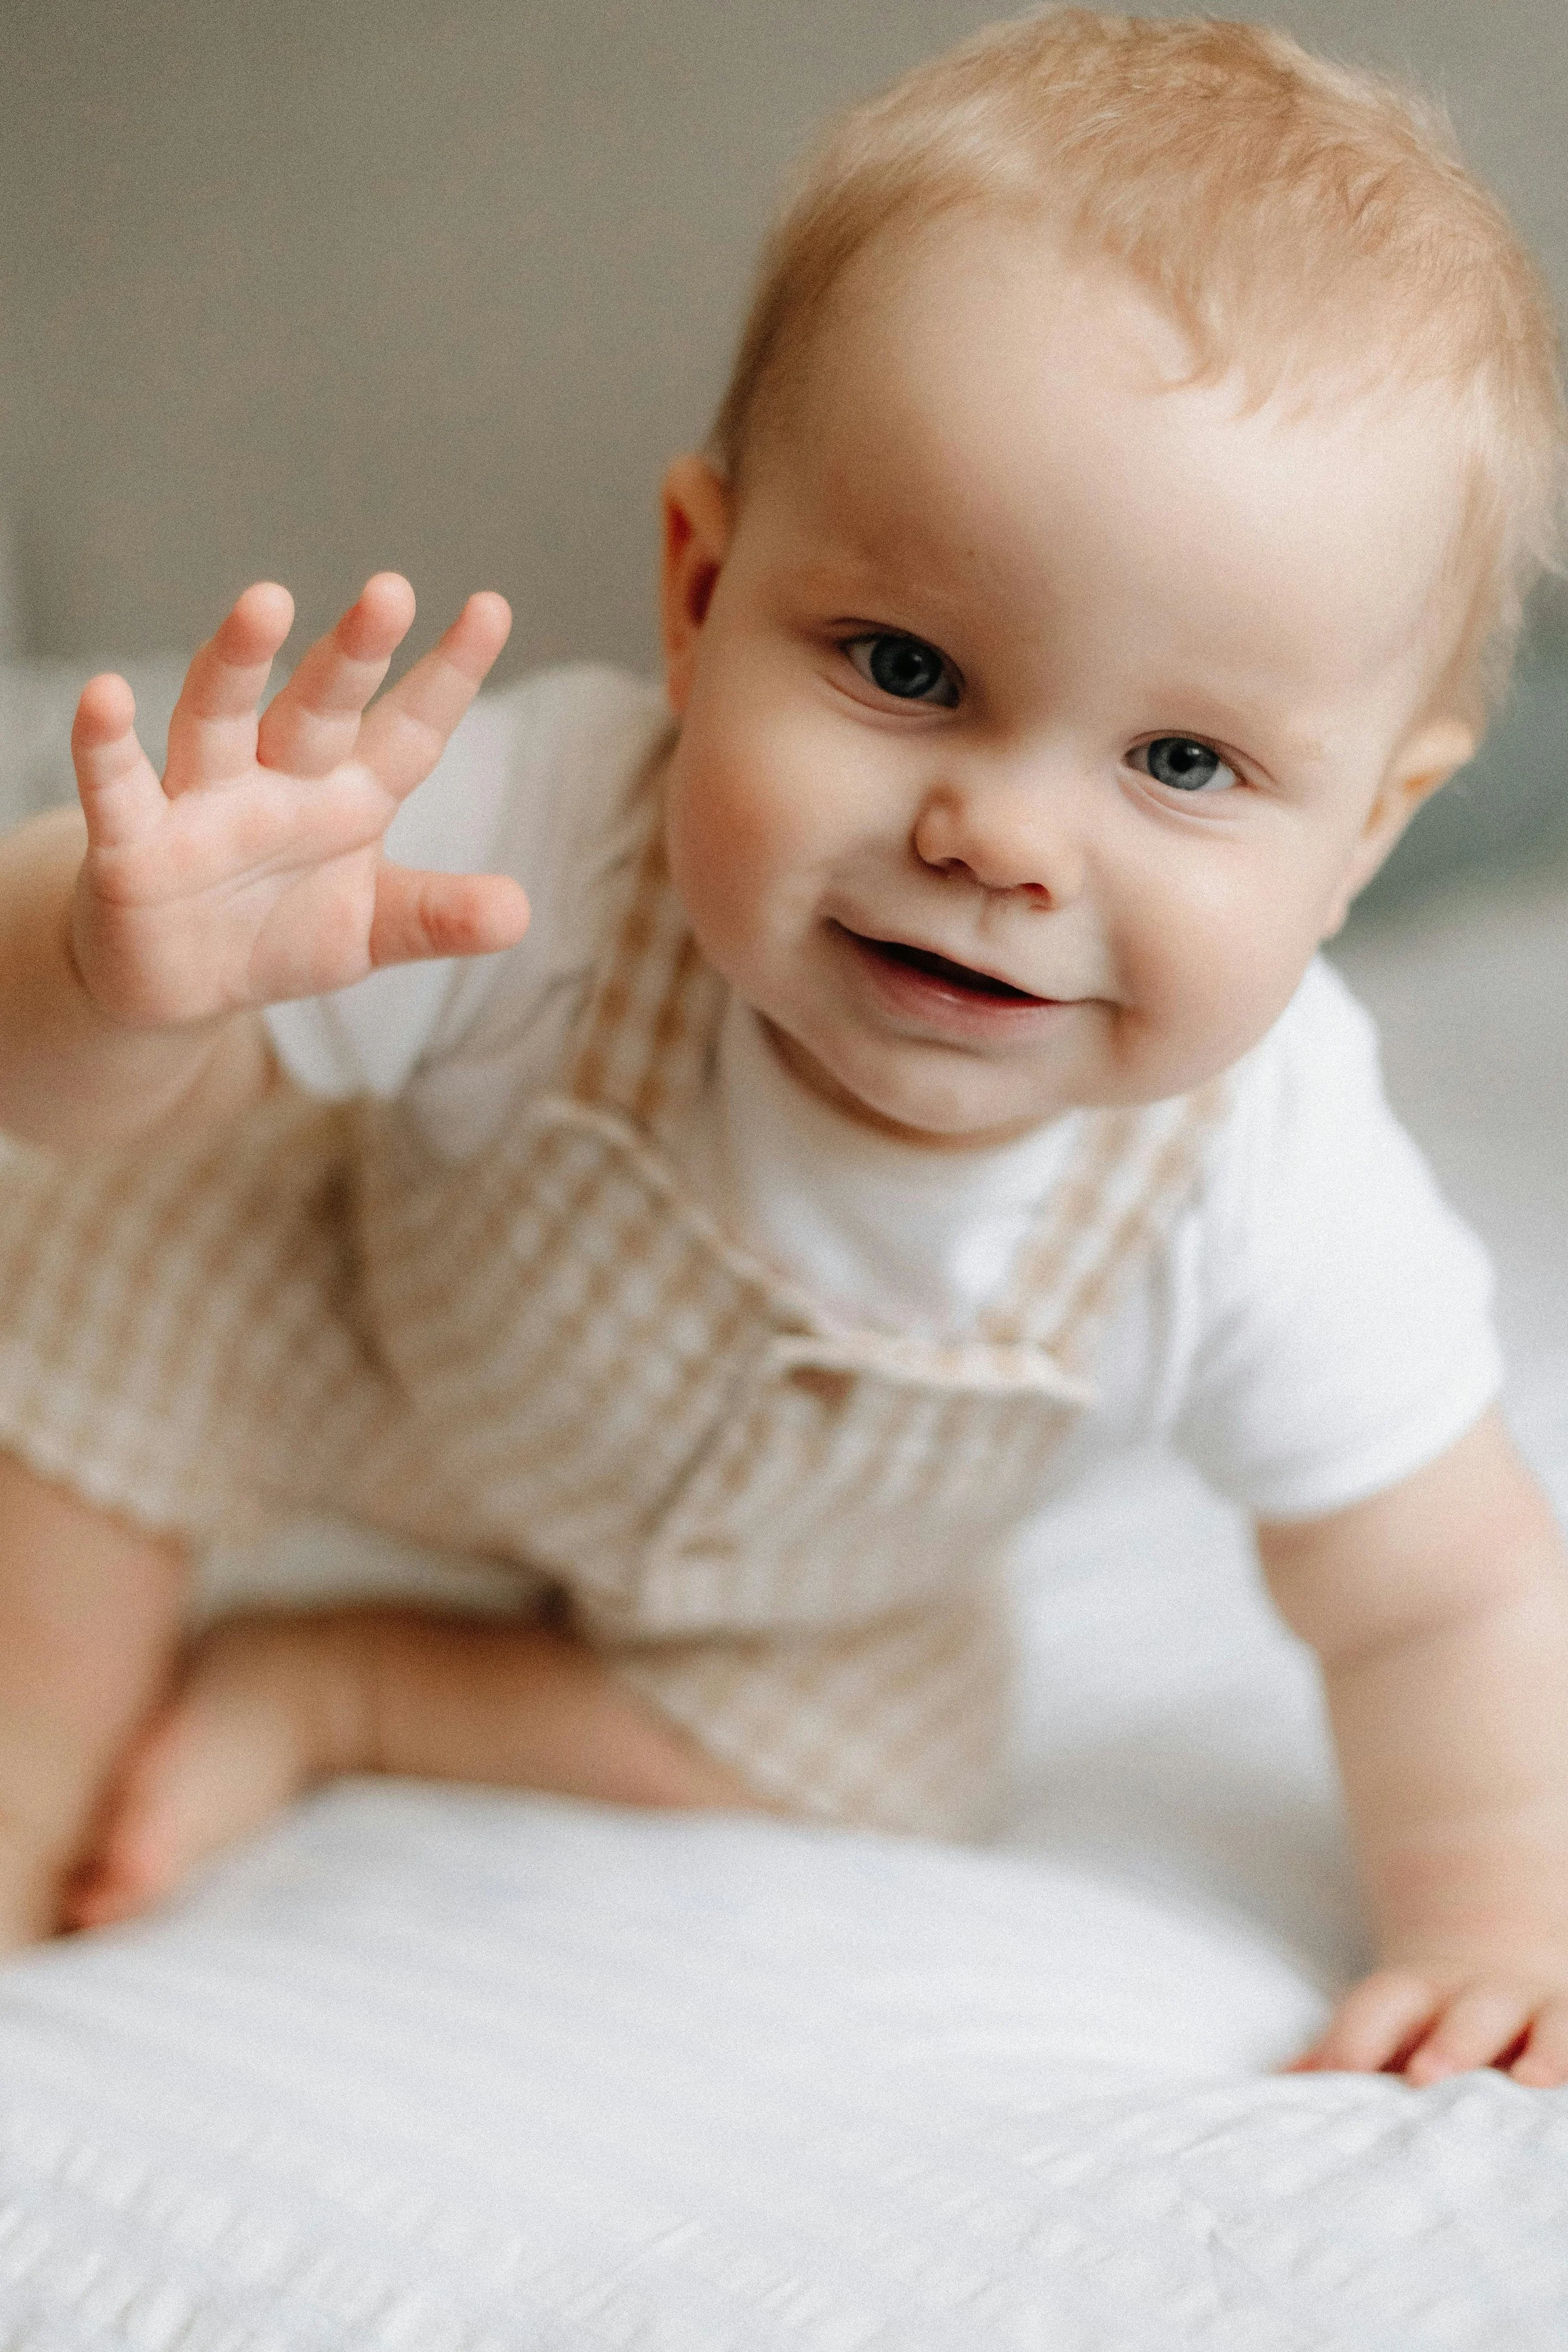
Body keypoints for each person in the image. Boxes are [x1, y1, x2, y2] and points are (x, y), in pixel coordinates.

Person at [0, 7, 1564, 2086]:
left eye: (1183, 759)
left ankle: (355, 1689)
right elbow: (60, 1101)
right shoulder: (545, 831)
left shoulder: (1262, 1171)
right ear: (701, 585)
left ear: (1369, 824)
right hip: (362, 1313)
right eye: (904, 666)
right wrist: (118, 973)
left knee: (880, 1760)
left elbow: (1432, 1598)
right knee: (113, 1304)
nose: (998, 838)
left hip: (798, 1580)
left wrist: (1499, 1911)